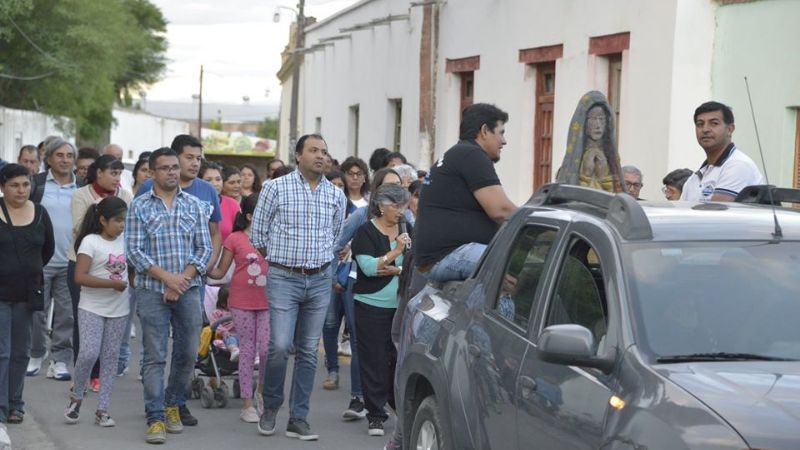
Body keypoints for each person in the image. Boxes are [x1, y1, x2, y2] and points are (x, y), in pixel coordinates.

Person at [251, 134, 346, 441]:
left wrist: (319, 265)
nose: (321, 156)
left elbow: (334, 238)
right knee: (279, 346)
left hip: (319, 280)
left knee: (307, 351)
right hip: (283, 278)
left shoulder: (335, 195)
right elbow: (258, 235)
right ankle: (270, 407)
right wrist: (282, 262)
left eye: (325, 151)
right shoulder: (275, 188)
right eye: (314, 150)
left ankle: (298, 417)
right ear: (298, 156)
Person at [126, 148, 212, 444]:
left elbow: (204, 249)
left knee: (188, 351)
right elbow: (134, 251)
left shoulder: (195, 205)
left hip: (189, 290)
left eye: (175, 167)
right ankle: (155, 417)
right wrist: (168, 280)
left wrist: (183, 280)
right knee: (154, 356)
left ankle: (173, 403)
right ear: (152, 173)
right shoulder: (139, 206)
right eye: (165, 168)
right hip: (152, 291)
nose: (173, 172)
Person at [323, 168, 403, 420]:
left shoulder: (407, 222)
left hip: (397, 298)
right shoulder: (361, 217)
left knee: (391, 351)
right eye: (390, 188)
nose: (397, 197)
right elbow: (338, 245)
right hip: (360, 285)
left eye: (400, 187)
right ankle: (359, 397)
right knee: (362, 344)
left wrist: (398, 268)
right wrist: (338, 275)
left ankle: (386, 401)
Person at [414, 103, 517, 283]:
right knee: (512, 271)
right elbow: (501, 210)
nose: (504, 141)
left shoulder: (459, 153)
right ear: (484, 131)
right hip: (448, 255)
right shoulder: (471, 155)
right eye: (501, 132)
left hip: (440, 257)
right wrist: (538, 224)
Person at [66, 155, 132, 391]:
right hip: (83, 262)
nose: (117, 178)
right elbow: (79, 228)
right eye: (113, 173)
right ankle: (82, 372)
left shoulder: (125, 195)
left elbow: (130, 228)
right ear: (99, 173)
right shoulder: (81, 195)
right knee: (82, 320)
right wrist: (103, 225)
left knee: (112, 322)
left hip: (115, 266)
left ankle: (100, 374)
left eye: (120, 173)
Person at [0, 164, 54, 446]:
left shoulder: (41, 212)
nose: (21, 190)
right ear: (3, 187)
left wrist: (28, 271)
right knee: (2, 352)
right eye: (14, 185)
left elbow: (47, 250)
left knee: (21, 353)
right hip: (0, 294)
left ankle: (15, 403)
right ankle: (0, 410)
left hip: (28, 294)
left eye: (25, 184)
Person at [351, 183, 411, 437]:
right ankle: (375, 414)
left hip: (402, 305)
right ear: (381, 206)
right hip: (371, 304)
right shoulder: (365, 232)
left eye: (403, 206)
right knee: (374, 359)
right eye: (396, 206)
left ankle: (400, 408)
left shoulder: (409, 230)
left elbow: (412, 265)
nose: (401, 212)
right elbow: (368, 268)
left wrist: (393, 266)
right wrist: (396, 251)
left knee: (398, 359)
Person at [64, 197, 130, 427]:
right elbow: (79, 277)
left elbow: (130, 272)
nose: (122, 225)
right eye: (117, 220)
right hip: (91, 307)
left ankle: (103, 409)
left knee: (110, 359)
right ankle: (77, 397)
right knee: (89, 353)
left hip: (119, 310)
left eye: (124, 220)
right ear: (102, 220)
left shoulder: (126, 240)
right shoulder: (90, 242)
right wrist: (112, 284)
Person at [207, 195, 269, 424]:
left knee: (265, 351)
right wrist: (199, 269)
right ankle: (247, 404)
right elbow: (221, 271)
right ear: (251, 216)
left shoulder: (275, 237)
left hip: (268, 302)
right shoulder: (234, 238)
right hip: (241, 301)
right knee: (246, 350)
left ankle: (260, 392)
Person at [28, 137, 81, 381]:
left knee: (67, 314)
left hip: (71, 261)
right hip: (39, 261)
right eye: (59, 155)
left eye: (69, 155)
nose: (65, 160)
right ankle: (36, 353)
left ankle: (60, 360)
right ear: (48, 159)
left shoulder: (81, 186)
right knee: (36, 312)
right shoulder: (36, 184)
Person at [681, 101, 764, 202]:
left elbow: (717, 213)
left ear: (730, 129)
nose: (705, 129)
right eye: (700, 124)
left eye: (714, 123)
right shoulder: (693, 179)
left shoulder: (738, 165)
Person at [200, 161, 240, 243]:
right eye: (208, 180)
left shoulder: (233, 205)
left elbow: (239, 237)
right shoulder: (190, 203)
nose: (215, 184)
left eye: (218, 179)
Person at [207, 287, 240, 362]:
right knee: (231, 339)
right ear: (223, 303)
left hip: (241, 336)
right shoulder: (217, 313)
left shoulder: (241, 312)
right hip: (227, 336)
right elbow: (214, 324)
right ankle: (234, 350)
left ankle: (256, 356)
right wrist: (224, 332)